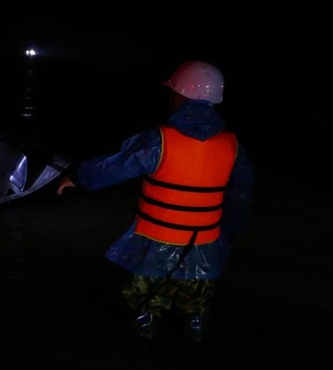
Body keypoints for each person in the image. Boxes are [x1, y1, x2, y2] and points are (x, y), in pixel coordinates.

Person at [56, 60, 254, 342]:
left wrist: (78, 177)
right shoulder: (232, 146)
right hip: (204, 248)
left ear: (180, 96)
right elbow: (241, 196)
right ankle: (194, 360)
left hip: (155, 244)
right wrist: (229, 234)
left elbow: (115, 166)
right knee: (196, 309)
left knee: (145, 304)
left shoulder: (158, 140)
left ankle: (142, 357)